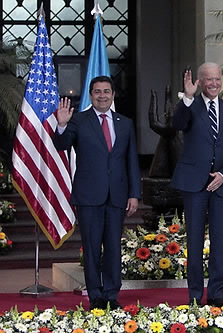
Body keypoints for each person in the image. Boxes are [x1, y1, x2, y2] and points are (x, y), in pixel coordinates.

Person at [53, 76, 141, 310]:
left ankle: (112, 295)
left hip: (117, 196)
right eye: (97, 92)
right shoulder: (78, 121)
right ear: (90, 95)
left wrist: (134, 193)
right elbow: (61, 145)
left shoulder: (126, 123)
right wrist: (61, 125)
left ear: (113, 95)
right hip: (89, 196)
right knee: (91, 249)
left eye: (106, 92)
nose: (102, 96)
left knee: (113, 247)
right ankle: (96, 297)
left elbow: (131, 160)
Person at [170, 62, 223, 306]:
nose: (214, 84)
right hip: (194, 185)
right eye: (208, 79)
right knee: (194, 240)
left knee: (219, 242)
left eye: (217, 79)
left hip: (220, 185)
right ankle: (194, 295)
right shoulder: (191, 106)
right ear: (200, 81)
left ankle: (216, 294)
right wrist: (187, 98)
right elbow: (178, 124)